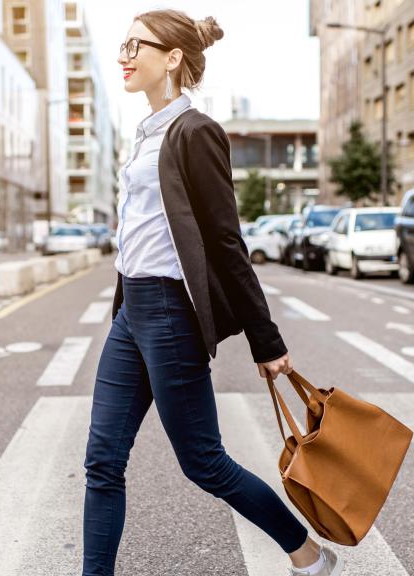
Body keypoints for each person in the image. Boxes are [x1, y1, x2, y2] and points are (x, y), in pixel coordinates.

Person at [82, 10, 342, 576]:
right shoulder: (145, 135)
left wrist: (265, 342)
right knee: (102, 460)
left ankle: (308, 554)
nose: (123, 55)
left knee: (203, 462)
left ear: (172, 58)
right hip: (132, 314)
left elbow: (227, 242)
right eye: (121, 45)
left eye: (135, 46)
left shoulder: (194, 132)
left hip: (173, 314)